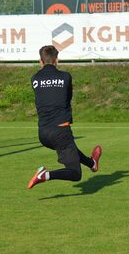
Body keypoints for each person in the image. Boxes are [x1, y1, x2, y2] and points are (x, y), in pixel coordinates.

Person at [28, 45, 102, 189]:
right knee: (75, 173)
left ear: (40, 62)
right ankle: (45, 175)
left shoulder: (34, 79)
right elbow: (67, 98)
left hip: (43, 134)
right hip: (60, 132)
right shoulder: (66, 77)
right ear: (57, 60)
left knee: (71, 149)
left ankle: (92, 163)